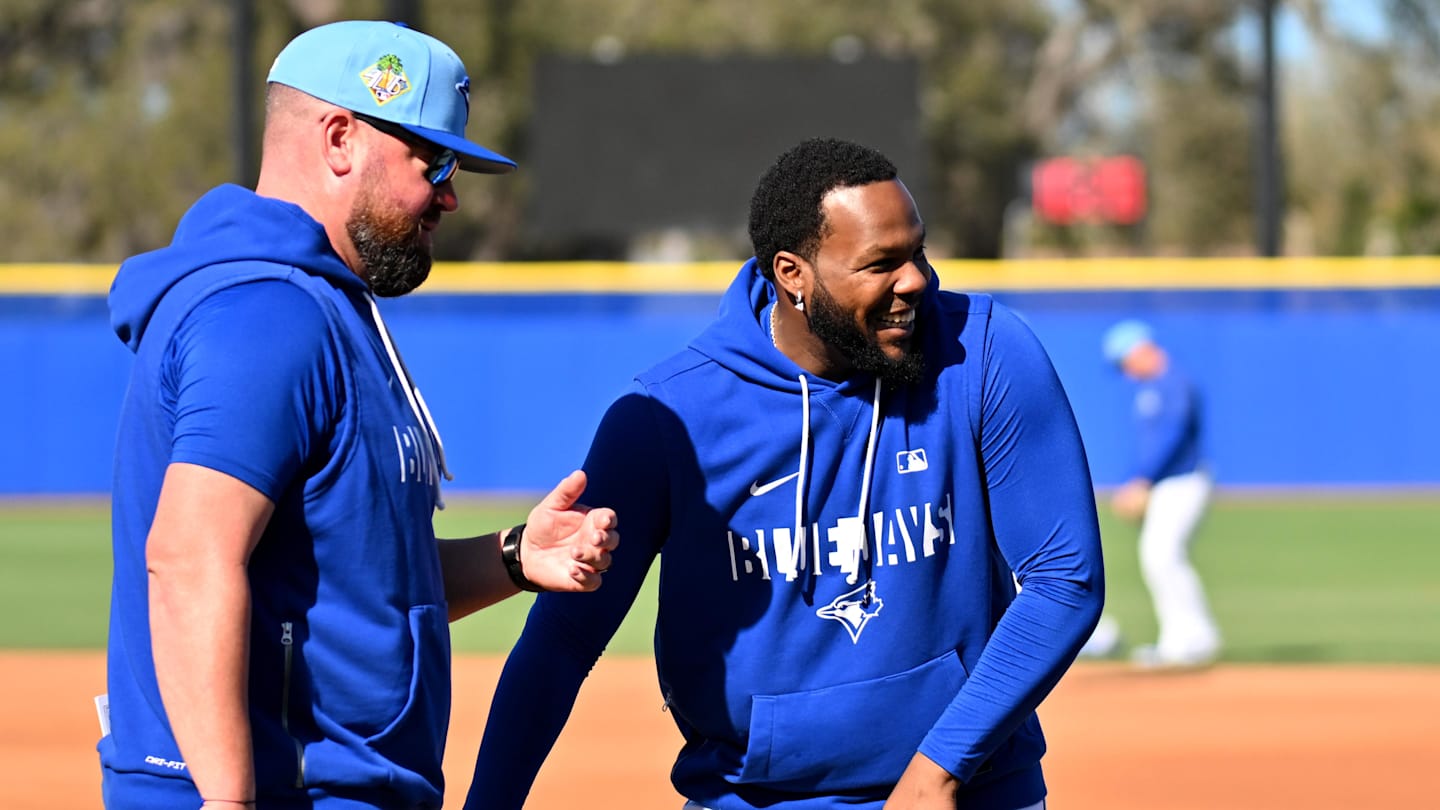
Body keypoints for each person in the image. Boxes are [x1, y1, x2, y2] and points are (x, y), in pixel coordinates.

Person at [464, 138, 1104, 810]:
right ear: (792, 274)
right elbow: (563, 640)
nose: (915, 279)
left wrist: (940, 766)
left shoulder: (986, 352)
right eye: (880, 264)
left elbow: (1066, 578)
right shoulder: (667, 417)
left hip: (973, 791)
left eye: (917, 250)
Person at [99, 20, 619, 810]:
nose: (449, 194)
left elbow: (359, 578)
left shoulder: (326, 309)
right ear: (340, 138)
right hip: (281, 791)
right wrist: (228, 800)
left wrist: (513, 557)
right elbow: (188, 558)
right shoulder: (266, 314)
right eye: (432, 160)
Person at [1096, 319, 1221, 669]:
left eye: (1124, 362)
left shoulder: (1173, 382)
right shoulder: (1154, 386)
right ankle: (1190, 637)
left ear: (1140, 349)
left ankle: (1189, 639)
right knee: (1162, 557)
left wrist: (1142, 481)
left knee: (1162, 555)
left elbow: (1174, 436)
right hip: (1168, 483)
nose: (1126, 371)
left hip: (1183, 480)